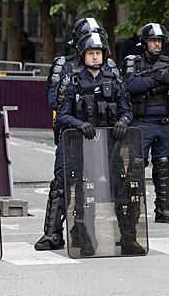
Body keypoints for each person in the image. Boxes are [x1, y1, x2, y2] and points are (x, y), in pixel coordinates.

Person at [53, 32, 143, 256]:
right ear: (83, 56)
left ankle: (129, 239)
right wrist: (79, 124)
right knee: (86, 194)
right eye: (91, 53)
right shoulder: (71, 81)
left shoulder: (113, 79)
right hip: (83, 148)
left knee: (122, 191)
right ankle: (86, 239)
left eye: (98, 53)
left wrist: (123, 121)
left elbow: (126, 110)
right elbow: (61, 116)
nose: (95, 57)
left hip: (109, 147)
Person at [35, 18, 120, 251]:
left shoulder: (108, 67)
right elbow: (55, 101)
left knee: (91, 187)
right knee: (62, 184)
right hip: (72, 136)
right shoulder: (64, 65)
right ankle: (52, 233)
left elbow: (121, 100)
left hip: (100, 138)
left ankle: (84, 232)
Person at [124, 23, 169, 223]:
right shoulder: (133, 61)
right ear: (145, 43)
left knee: (163, 166)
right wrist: (157, 80)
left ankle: (163, 209)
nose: (157, 44)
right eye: (153, 41)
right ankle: (134, 209)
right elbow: (131, 85)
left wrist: (166, 80)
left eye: (159, 41)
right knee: (136, 167)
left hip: (164, 122)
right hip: (141, 122)